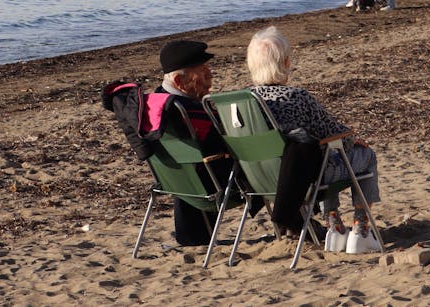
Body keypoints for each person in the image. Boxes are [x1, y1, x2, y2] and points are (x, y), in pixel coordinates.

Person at [245, 26, 382, 254]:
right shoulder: (296, 97)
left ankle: (335, 227)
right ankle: (361, 230)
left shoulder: (244, 103)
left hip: (260, 178)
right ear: (286, 63)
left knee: (328, 151)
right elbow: (334, 133)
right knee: (364, 156)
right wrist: (351, 140)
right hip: (302, 179)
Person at [156, 39, 229, 246]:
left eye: (208, 68)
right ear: (179, 81)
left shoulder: (156, 101)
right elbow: (223, 143)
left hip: (176, 180)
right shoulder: (190, 111)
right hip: (209, 183)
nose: (210, 74)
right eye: (203, 71)